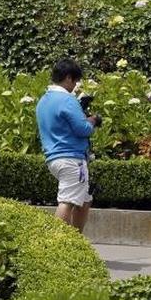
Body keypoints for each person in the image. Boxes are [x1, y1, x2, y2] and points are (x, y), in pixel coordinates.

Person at [36, 59, 101, 231]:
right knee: (67, 201)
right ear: (68, 78)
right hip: (71, 159)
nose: (75, 85)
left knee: (85, 198)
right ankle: (59, 245)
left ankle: (76, 242)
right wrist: (93, 121)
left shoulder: (43, 100)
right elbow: (83, 129)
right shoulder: (67, 99)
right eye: (75, 81)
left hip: (54, 158)